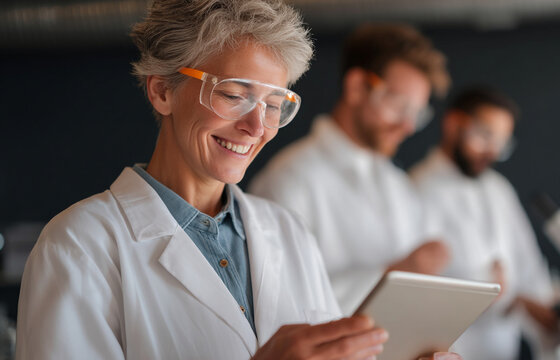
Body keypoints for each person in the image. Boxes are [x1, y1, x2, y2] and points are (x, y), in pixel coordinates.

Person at [15, 1, 391, 359]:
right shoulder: (79, 246)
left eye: (273, 105)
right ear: (162, 90)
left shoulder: (288, 231)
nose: (256, 127)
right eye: (232, 95)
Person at [250, 23, 452, 315]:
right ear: (357, 86)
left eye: (416, 113)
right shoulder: (289, 179)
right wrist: (391, 276)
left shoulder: (399, 186)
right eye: (398, 105)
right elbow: (279, 304)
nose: (408, 126)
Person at [409, 87, 558, 360]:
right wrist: (486, 288)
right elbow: (416, 291)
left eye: (501, 142)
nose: (492, 151)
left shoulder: (499, 189)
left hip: (503, 348)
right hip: (448, 349)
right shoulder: (416, 190)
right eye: (485, 135)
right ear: (454, 124)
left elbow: (528, 266)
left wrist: (543, 310)